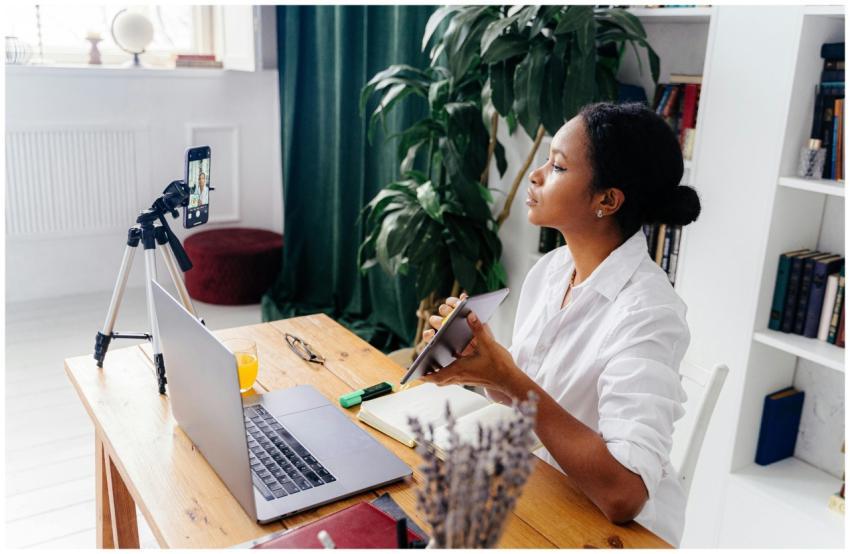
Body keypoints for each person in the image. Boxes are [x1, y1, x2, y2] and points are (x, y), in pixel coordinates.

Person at [421, 102, 701, 547]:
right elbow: (531, 400)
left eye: (558, 166)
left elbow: (624, 494)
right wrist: (484, 367)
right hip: (541, 485)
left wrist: (508, 378)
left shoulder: (648, 313)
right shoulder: (553, 269)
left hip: (607, 529)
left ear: (606, 200)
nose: (536, 175)